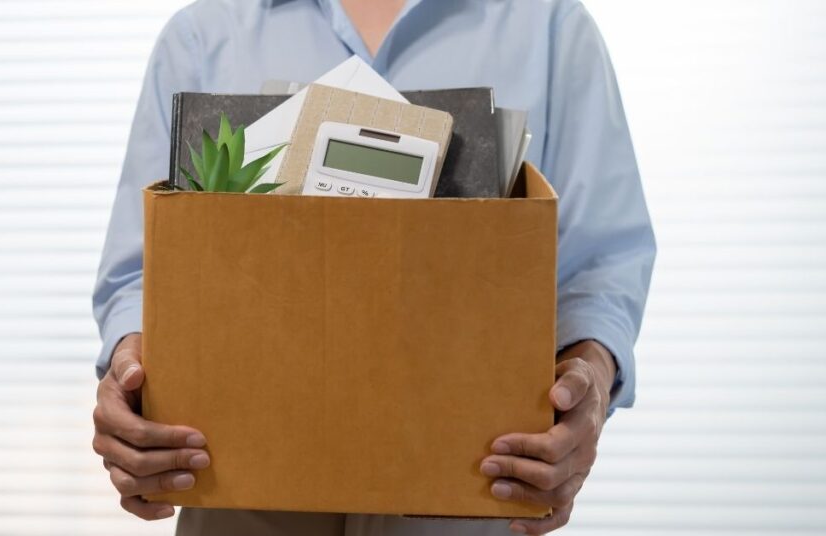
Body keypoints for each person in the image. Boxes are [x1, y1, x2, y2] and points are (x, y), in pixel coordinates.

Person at [91, 0, 656, 534]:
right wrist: (132, 373)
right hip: (233, 496)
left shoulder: (551, 27)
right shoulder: (203, 35)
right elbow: (140, 272)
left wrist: (590, 378)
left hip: (476, 496)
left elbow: (600, 262)